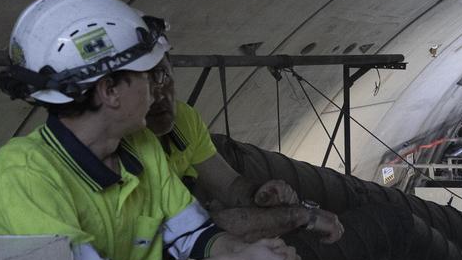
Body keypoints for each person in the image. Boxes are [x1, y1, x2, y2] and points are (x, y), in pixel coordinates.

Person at [0, 0, 300, 260]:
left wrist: (252, 255)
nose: (158, 88)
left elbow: (193, 234)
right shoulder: (24, 172)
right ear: (110, 91)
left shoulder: (141, 145)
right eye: (148, 74)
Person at [143, 56, 343, 244]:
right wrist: (297, 216)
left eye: (162, 75)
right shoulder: (119, 149)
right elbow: (177, 234)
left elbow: (228, 185)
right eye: (143, 82)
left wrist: (257, 194)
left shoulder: (183, 120)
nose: (158, 94)